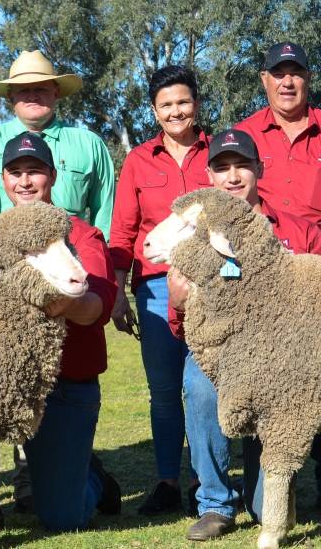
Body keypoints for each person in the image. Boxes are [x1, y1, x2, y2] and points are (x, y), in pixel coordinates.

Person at [0, 132, 121, 537]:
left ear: (52, 176)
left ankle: (91, 477)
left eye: (35, 172)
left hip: (65, 386)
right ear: (4, 180)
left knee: (62, 518)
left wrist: (42, 297)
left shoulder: (80, 235)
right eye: (16, 173)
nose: (25, 182)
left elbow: (93, 310)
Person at [165, 129, 321, 540]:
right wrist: (180, 299)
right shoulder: (191, 235)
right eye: (222, 168)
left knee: (264, 510)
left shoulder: (295, 229)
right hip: (221, 358)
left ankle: (272, 495)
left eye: (242, 166)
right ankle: (215, 502)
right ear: (209, 176)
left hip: (287, 362)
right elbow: (178, 314)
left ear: (259, 169)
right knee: (199, 386)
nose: (233, 176)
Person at [232, 41, 321, 514]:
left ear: (308, 78)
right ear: (264, 79)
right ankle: (265, 481)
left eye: (296, 73)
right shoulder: (243, 134)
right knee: (262, 378)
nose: (287, 82)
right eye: (277, 73)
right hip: (261, 284)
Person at [108, 65, 211, 516]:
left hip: (210, 287)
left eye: (183, 102)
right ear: (154, 111)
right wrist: (115, 290)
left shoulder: (218, 152)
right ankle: (168, 480)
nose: (176, 111)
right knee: (165, 391)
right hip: (153, 289)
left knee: (207, 385)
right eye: (166, 104)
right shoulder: (137, 161)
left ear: (197, 104)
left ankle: (206, 482)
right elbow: (123, 231)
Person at [0, 49, 115, 256]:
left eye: (41, 89)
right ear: (10, 96)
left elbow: (106, 213)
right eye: (24, 90)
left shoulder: (89, 144)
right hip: (2, 264)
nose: (33, 96)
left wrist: (100, 262)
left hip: (71, 261)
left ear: (56, 92)